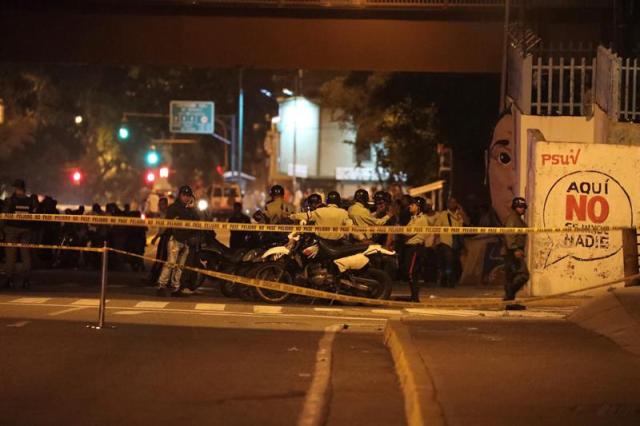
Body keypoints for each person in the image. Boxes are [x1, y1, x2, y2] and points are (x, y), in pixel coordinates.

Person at [156, 185, 200, 297]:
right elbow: (168, 223)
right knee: (170, 263)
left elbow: (197, 221)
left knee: (180, 266)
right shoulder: (174, 208)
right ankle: (161, 286)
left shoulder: (190, 209)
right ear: (180, 195)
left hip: (186, 241)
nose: (186, 198)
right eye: (184, 195)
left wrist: (192, 208)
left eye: (188, 196)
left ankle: (176, 288)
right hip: (174, 239)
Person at [2, 179, 38, 289]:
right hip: (26, 230)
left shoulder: (10, 200)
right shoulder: (30, 201)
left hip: (12, 230)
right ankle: (26, 280)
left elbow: (4, 216)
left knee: (10, 256)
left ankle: (9, 279)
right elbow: (35, 215)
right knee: (25, 256)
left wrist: (2, 230)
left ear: (17, 188)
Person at [434, 196, 468, 287]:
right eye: (450, 202)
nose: (452, 204)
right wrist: (435, 242)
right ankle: (448, 281)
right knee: (448, 261)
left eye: (454, 202)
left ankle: (450, 279)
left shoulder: (459, 214)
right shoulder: (443, 215)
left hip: (457, 242)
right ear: (447, 204)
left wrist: (462, 212)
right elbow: (436, 228)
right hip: (446, 242)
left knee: (454, 262)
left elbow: (468, 223)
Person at [503, 197, 530, 310]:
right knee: (523, 275)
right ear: (515, 207)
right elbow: (509, 235)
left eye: (523, 207)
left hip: (514, 251)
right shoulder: (513, 219)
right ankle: (508, 296)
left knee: (511, 277)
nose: (522, 209)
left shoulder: (518, 219)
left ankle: (509, 303)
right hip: (512, 252)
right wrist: (515, 249)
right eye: (520, 206)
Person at [402, 197, 429, 302]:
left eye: (412, 205)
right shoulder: (413, 218)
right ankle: (414, 296)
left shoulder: (421, 219)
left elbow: (408, 232)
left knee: (411, 272)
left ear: (418, 207)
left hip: (415, 248)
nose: (410, 206)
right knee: (411, 272)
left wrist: (400, 228)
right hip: (411, 248)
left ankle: (415, 297)